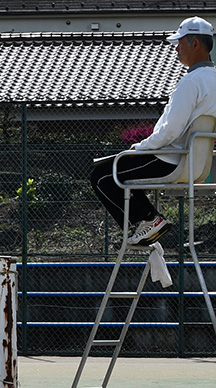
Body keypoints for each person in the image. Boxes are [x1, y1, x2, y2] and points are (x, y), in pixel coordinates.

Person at [89, 16, 216, 245]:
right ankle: (150, 221)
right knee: (118, 172)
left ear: (195, 44)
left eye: (180, 43)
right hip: (196, 164)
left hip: (170, 159)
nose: (176, 49)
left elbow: (170, 130)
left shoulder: (191, 82)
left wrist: (140, 147)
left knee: (102, 176)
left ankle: (148, 221)